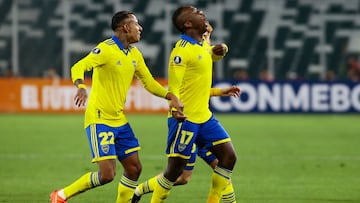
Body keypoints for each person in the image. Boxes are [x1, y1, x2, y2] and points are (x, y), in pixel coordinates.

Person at [49, 11, 185, 203]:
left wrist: (170, 96)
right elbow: (78, 67)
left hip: (119, 120)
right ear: (125, 27)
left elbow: (149, 82)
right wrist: (80, 86)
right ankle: (61, 195)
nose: (140, 28)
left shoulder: (135, 54)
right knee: (107, 175)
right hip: (100, 118)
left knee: (134, 168)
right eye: (136, 24)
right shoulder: (106, 49)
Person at [134, 6, 239, 203]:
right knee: (176, 174)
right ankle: (142, 194)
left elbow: (209, 55)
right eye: (196, 12)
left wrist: (220, 51)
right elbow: (174, 87)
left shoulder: (202, 44)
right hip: (186, 120)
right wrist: (175, 109)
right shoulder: (180, 52)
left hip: (205, 118)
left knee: (229, 158)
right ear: (188, 23)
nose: (201, 12)